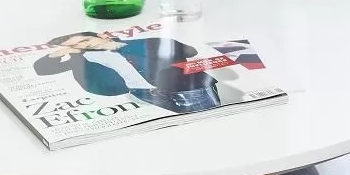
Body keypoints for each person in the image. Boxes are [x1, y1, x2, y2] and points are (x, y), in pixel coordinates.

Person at [35, 31, 227, 113]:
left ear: (101, 36)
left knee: (208, 124)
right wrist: (66, 51)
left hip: (186, 88)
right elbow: (42, 69)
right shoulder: (83, 61)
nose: (82, 47)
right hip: (145, 95)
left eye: (84, 42)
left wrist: (118, 46)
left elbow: (189, 51)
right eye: (75, 46)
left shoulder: (142, 43)